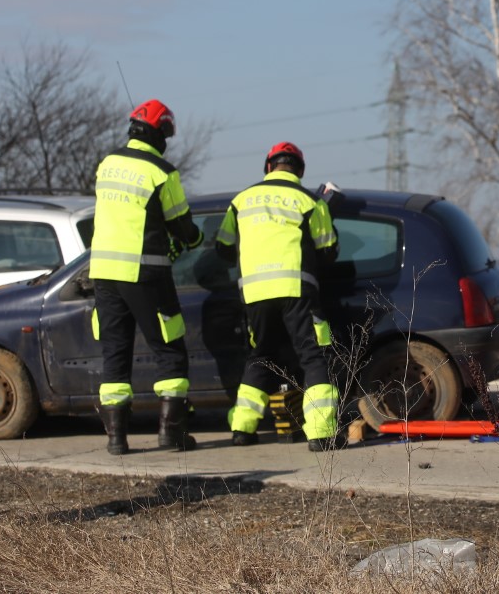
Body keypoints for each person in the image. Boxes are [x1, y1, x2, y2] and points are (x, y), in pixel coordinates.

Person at [215, 141, 344, 452]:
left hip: (255, 294)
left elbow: (222, 247)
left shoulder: (241, 200)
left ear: (268, 167)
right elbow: (329, 253)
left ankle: (242, 430)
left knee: (259, 356)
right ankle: (321, 434)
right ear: (299, 170)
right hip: (296, 291)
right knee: (313, 357)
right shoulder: (311, 201)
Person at [90, 100, 202, 455]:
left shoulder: (107, 164)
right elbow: (180, 224)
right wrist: (194, 239)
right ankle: (172, 433)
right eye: (167, 132)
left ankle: (116, 439)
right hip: (144, 272)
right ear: (159, 132)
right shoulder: (161, 172)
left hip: (104, 273)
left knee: (115, 351)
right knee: (169, 349)